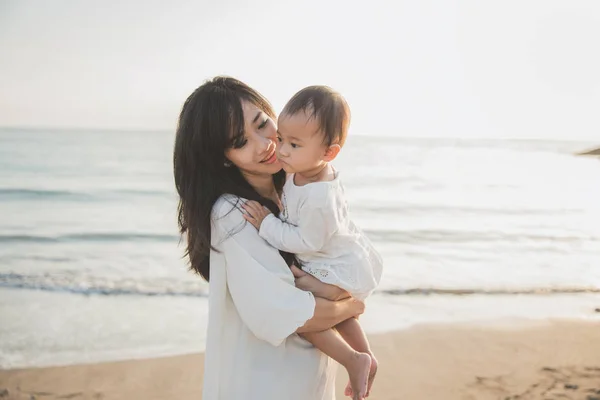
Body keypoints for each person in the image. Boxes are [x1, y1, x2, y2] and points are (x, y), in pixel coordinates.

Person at [173, 76, 366, 400]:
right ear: (223, 157)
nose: (265, 144)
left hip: (309, 382)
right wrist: (351, 303)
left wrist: (339, 293)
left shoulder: (295, 188)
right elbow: (281, 313)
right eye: (240, 142)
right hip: (263, 384)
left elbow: (343, 256)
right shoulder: (232, 213)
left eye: (263, 124)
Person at [242, 86, 383, 399]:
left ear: (328, 153)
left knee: (302, 310)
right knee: (339, 313)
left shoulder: (320, 196)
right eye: (281, 139)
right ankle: (366, 358)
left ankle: (354, 358)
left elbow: (304, 240)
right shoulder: (303, 167)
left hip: (333, 263)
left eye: (294, 144)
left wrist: (267, 224)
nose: (282, 151)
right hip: (329, 254)